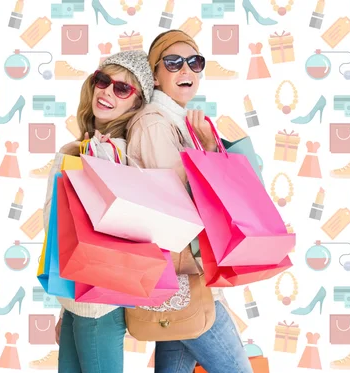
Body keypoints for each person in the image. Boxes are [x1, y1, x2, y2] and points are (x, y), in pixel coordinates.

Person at [126, 30, 254, 373]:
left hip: (182, 275)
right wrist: (210, 153)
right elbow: (177, 209)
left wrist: (209, 148)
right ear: (155, 74)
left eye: (195, 62)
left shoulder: (178, 122)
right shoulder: (155, 124)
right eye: (173, 62)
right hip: (183, 271)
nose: (186, 70)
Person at [42, 50, 154, 373]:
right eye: (103, 81)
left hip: (99, 307)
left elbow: (115, 231)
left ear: (136, 104)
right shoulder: (82, 147)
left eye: (123, 89)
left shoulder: (113, 153)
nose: (107, 91)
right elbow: (71, 231)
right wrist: (66, 307)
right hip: (77, 299)